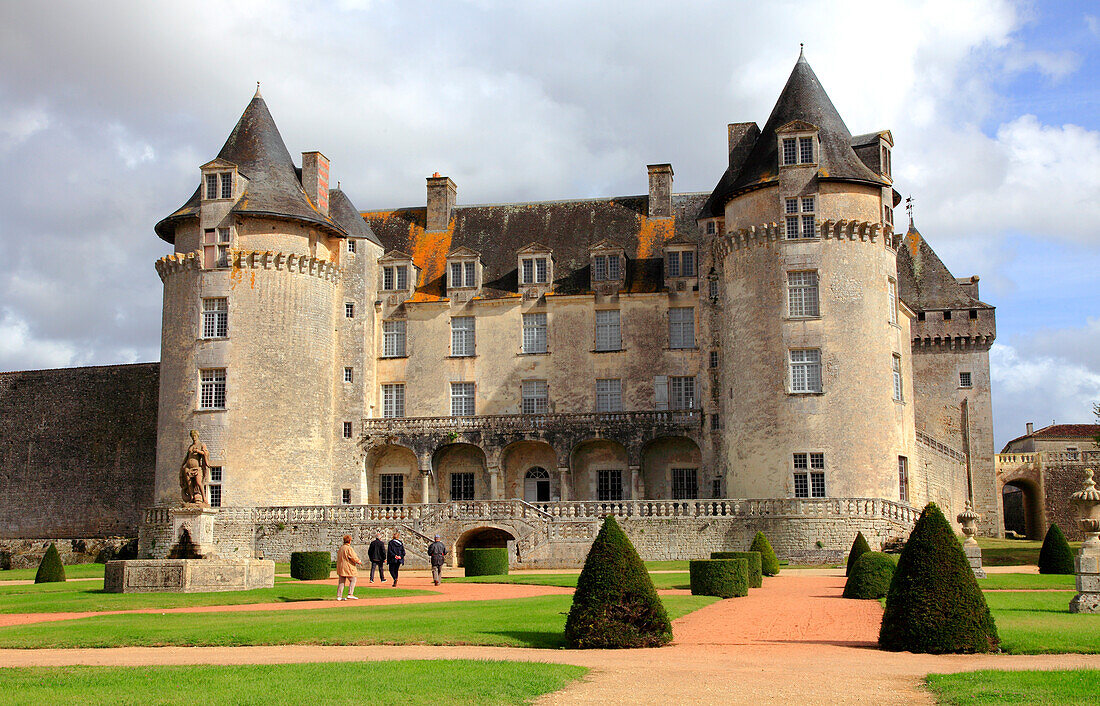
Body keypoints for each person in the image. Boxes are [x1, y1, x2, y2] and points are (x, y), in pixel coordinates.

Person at [335, 535, 362, 601]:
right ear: (349, 541)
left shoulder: (341, 548)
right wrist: (358, 561)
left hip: (341, 567)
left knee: (341, 582)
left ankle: (339, 596)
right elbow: (353, 556)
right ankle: (350, 594)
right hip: (348, 566)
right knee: (353, 579)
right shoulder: (348, 548)